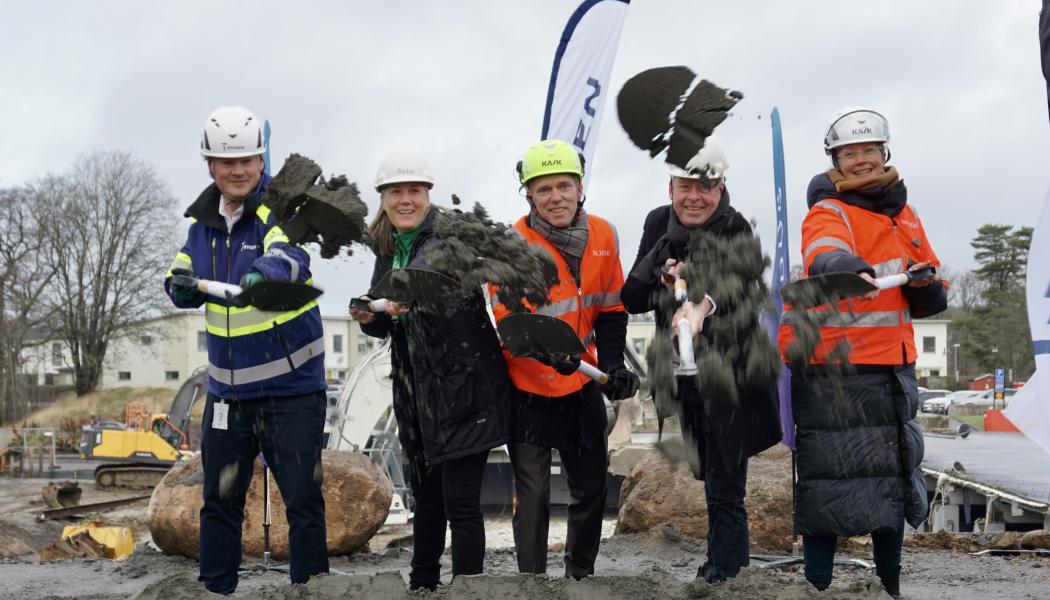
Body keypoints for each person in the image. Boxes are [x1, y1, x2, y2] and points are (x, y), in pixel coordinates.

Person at [778, 106, 944, 599]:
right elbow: (823, 252)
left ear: (884, 152)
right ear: (836, 160)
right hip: (837, 370)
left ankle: (889, 585)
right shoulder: (828, 211)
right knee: (829, 484)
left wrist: (929, 283)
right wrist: (845, 264)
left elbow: (926, 281)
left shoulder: (905, 213)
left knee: (893, 483)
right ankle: (818, 586)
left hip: (894, 367)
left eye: (869, 150)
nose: (862, 161)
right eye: (850, 153)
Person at [164, 106, 328, 594]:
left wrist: (268, 271)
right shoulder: (200, 226)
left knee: (302, 502)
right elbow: (179, 269)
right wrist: (180, 287)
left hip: (291, 392)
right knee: (219, 503)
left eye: (247, 161)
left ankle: (312, 592)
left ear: (262, 160)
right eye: (226, 162)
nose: (238, 172)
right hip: (228, 396)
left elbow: (290, 255)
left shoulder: (281, 210)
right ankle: (215, 590)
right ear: (210, 165)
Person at [619, 136, 782, 583]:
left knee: (727, 483)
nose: (695, 196)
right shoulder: (657, 223)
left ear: (721, 186)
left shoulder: (735, 228)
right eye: (685, 186)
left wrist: (702, 302)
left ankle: (726, 576)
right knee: (707, 473)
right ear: (670, 188)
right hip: (683, 374)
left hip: (733, 372)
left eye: (705, 187)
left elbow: (739, 290)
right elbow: (631, 297)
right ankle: (723, 564)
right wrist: (661, 266)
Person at [350, 151, 512, 591]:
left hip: (465, 388)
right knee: (426, 502)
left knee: (460, 504)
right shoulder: (387, 248)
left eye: (414, 192)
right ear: (383, 198)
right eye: (396, 192)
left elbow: (432, 289)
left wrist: (399, 298)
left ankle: (468, 589)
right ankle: (422, 586)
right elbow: (392, 320)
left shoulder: (449, 238)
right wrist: (374, 318)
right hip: (416, 393)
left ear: (428, 196)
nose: (406, 200)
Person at [489, 139, 639, 580]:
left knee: (591, 486)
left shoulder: (606, 235)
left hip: (580, 384)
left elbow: (611, 310)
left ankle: (579, 577)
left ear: (579, 187)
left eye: (563, 186)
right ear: (529, 195)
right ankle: (532, 583)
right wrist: (552, 354)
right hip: (529, 387)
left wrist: (612, 366)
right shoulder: (510, 246)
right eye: (543, 189)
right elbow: (509, 321)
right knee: (533, 494)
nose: (555, 197)